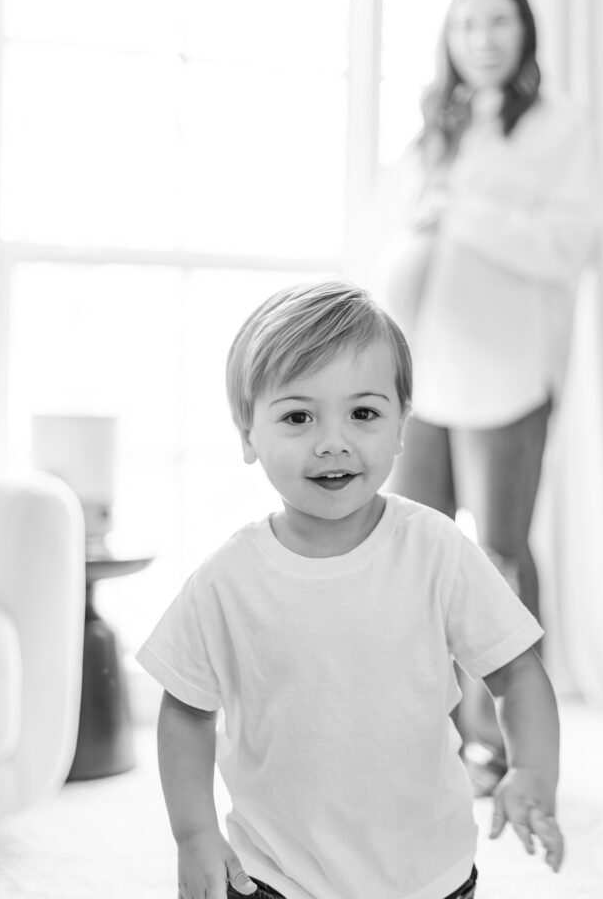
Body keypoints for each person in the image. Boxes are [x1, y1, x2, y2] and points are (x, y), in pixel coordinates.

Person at [137, 280, 564, 899]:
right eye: (297, 416)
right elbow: (185, 711)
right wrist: (193, 834)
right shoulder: (227, 580)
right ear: (247, 434)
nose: (332, 440)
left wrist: (532, 770)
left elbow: (516, 673)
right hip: (274, 874)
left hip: (429, 875)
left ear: (399, 427)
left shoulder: (435, 550)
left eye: (362, 413)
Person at [373, 0, 600, 794]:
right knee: (407, 557)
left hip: (507, 376)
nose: (483, 39)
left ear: (524, 31)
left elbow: (570, 245)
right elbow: (390, 244)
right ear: (450, 37)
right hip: (420, 378)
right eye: (467, 24)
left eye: (498, 21)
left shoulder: (559, 128)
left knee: (498, 558)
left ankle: (506, 748)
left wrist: (462, 210)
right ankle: (417, 739)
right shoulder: (430, 131)